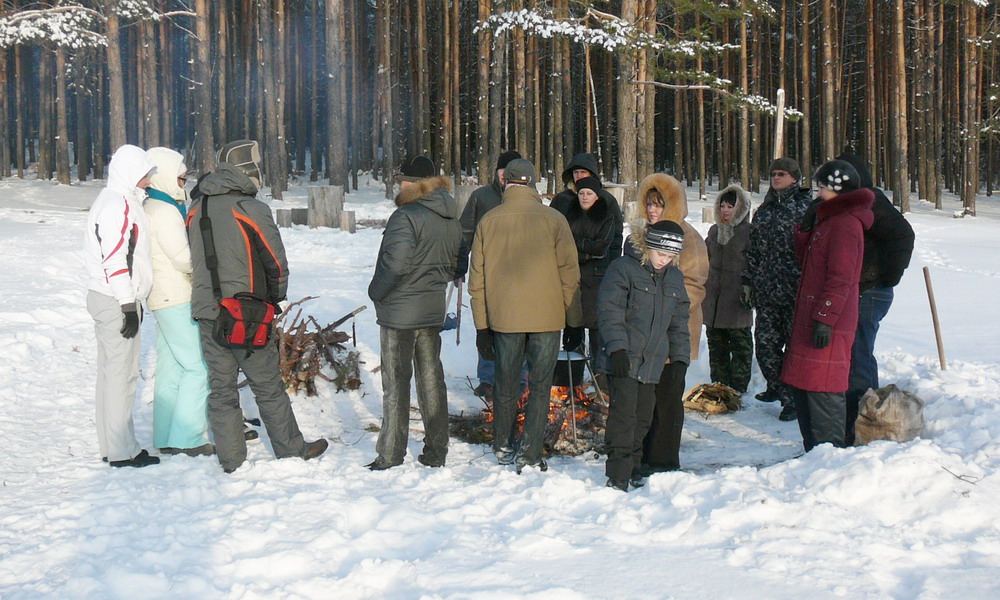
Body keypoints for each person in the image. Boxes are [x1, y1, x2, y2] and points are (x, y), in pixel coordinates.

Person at [187, 139, 328, 473]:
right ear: (247, 170)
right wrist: (275, 296)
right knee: (267, 385)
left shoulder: (195, 207)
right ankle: (291, 450)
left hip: (207, 310)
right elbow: (276, 262)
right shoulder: (250, 208)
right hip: (246, 313)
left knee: (220, 387)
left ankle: (231, 458)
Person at [468, 158, 583, 473]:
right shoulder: (555, 219)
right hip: (548, 319)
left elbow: (476, 283)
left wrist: (482, 327)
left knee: (506, 385)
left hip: (504, 321)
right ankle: (530, 451)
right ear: (533, 184)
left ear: (507, 183)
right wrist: (574, 321)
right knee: (541, 385)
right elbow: (569, 276)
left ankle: (503, 445)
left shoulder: (488, 221)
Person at [366, 156, 464, 470]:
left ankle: (391, 453)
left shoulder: (406, 216)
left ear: (413, 183)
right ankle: (436, 451)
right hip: (431, 307)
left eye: (402, 179)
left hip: (400, 311)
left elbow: (394, 265)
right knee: (432, 381)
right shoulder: (449, 214)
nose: (399, 184)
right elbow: (457, 263)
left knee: (396, 383)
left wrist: (375, 292)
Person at [781, 160, 874, 451]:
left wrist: (825, 317)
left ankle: (829, 453)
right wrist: (805, 231)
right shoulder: (829, 221)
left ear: (837, 189)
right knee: (804, 384)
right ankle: (814, 451)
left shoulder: (846, 225)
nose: (817, 194)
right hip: (812, 315)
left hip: (828, 320)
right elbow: (808, 263)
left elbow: (841, 277)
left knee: (823, 385)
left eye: (822, 188)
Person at [598, 221, 690, 491]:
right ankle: (618, 473)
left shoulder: (674, 277)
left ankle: (635, 467)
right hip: (624, 358)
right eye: (661, 253)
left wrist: (680, 358)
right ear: (648, 246)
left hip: (653, 362)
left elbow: (678, 321)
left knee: (643, 418)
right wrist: (616, 348)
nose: (665, 260)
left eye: (671, 256)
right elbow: (610, 311)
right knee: (624, 418)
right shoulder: (623, 269)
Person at [84, 144, 160, 468]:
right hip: (117, 299)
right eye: (144, 175)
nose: (147, 181)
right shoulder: (117, 206)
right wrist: (128, 305)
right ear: (130, 172)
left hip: (107, 297)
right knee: (122, 376)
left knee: (109, 374)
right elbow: (114, 258)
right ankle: (122, 451)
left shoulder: (117, 200)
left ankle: (111, 445)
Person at [833, 149, 914, 445]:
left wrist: (885, 279)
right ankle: (859, 419)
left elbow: (904, 236)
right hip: (858, 291)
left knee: (858, 357)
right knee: (852, 355)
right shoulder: (850, 204)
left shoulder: (871, 201)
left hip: (870, 293)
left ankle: (865, 423)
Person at [633, 173, 707, 473]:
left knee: (667, 399)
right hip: (645, 333)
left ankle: (663, 460)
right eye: (649, 204)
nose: (652, 210)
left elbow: (695, 284)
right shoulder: (642, 235)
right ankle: (645, 454)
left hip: (675, 331)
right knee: (646, 399)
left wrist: (663, 308)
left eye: (659, 204)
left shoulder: (688, 237)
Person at [144, 147, 213, 457]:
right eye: (181, 177)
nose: (184, 183)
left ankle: (166, 433)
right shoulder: (165, 210)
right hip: (176, 295)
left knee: (172, 367)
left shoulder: (153, 205)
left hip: (162, 297)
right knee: (198, 367)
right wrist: (211, 264)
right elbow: (183, 258)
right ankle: (189, 437)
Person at [741, 157, 814, 421]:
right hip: (768, 292)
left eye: (781, 174)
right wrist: (748, 280)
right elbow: (754, 249)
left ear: (795, 177)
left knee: (795, 349)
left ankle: (792, 399)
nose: (776, 178)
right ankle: (778, 386)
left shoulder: (808, 207)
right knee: (765, 345)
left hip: (797, 292)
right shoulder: (765, 210)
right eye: (772, 174)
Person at [459, 150, 521, 402]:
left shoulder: (527, 198)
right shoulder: (480, 196)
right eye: (502, 171)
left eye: (511, 172)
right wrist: (459, 264)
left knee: (519, 325)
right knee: (486, 324)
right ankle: (487, 379)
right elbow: (464, 231)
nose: (506, 176)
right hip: (486, 271)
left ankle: (521, 377)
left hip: (519, 273)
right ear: (496, 172)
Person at [557, 176, 621, 358]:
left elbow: (600, 247)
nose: (585, 197)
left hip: (597, 278)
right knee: (572, 325)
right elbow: (562, 244)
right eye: (582, 193)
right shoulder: (568, 216)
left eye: (589, 193)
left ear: (597, 196)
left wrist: (576, 246)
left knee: (596, 328)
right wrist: (586, 251)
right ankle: (572, 375)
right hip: (572, 277)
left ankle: (598, 375)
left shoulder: (606, 217)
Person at [703, 185, 754, 394]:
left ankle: (738, 388)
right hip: (713, 300)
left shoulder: (748, 232)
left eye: (730, 206)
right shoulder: (714, 231)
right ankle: (719, 385)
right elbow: (704, 258)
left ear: (740, 208)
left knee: (740, 346)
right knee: (716, 346)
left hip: (737, 299)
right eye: (722, 205)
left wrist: (750, 287)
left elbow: (755, 262)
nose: (725, 210)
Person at [549, 153, 624, 260]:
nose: (579, 175)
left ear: (591, 174)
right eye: (576, 172)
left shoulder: (606, 199)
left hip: (598, 265)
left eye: (583, 172)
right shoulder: (561, 200)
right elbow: (551, 231)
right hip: (566, 261)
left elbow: (616, 235)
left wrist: (613, 262)